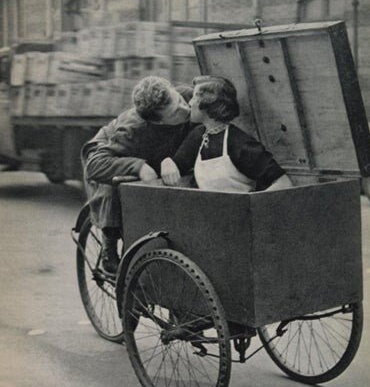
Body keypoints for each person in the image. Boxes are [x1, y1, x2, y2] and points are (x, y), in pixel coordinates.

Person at [82, 76, 191, 274]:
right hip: (110, 151)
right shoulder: (133, 129)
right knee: (115, 186)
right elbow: (95, 165)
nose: (185, 109)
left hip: (155, 153)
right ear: (156, 121)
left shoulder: (185, 95)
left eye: (180, 101)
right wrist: (137, 166)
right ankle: (110, 245)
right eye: (175, 112)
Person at [161, 75, 293, 192]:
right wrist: (167, 162)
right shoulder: (199, 135)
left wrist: (255, 207)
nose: (190, 102)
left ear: (209, 103)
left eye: (195, 97)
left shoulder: (241, 144)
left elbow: (284, 183)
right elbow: (177, 164)